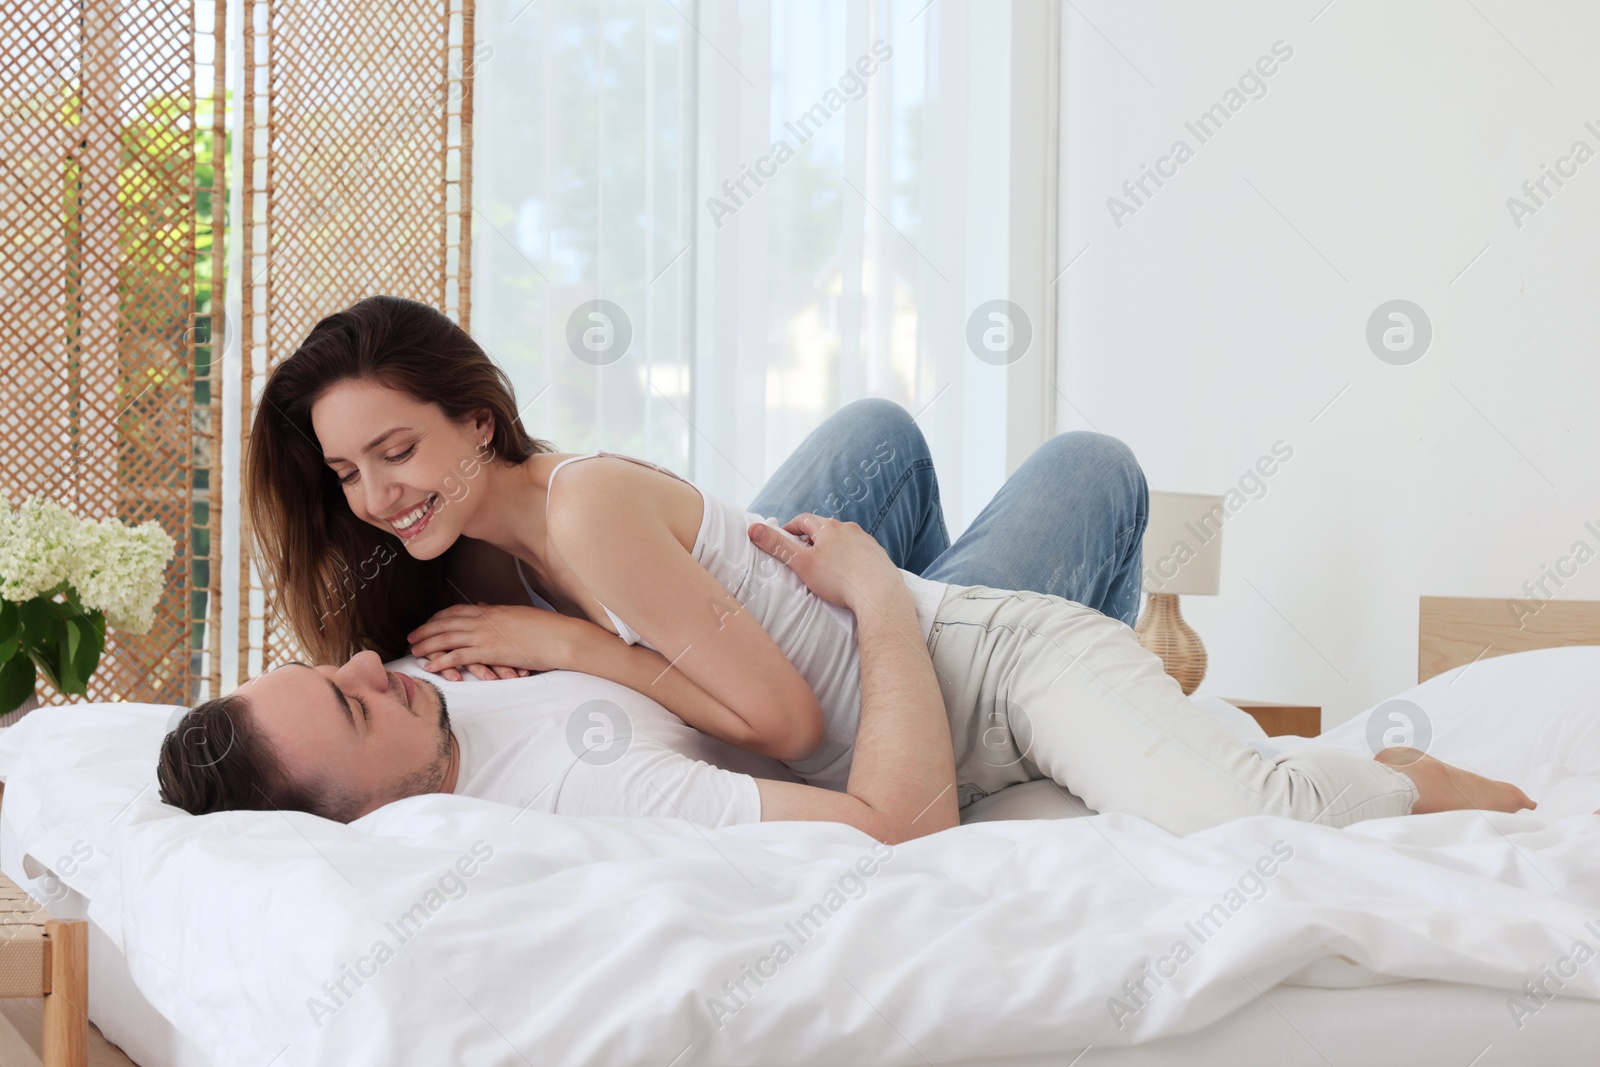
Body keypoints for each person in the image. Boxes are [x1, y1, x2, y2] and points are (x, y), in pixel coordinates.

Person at [157, 514, 1533, 840]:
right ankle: (1376, 769)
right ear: (379, 814)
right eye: (350, 703)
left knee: (1263, 818)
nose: (366, 667)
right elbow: (891, 829)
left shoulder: (437, 658)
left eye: (330, 664)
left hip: (987, 664)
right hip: (929, 702)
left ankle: (1409, 773)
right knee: (1209, 826)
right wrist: (874, 591)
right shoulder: (582, 794)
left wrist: (579, 636)